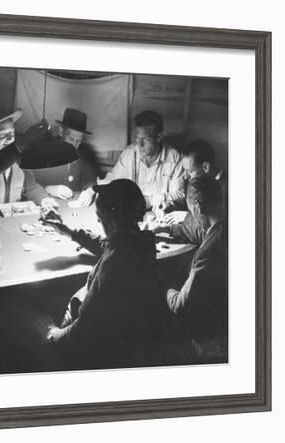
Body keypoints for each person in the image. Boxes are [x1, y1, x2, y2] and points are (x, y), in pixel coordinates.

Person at [43, 179, 159, 368]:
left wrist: (53, 335)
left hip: (98, 347)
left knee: (26, 315)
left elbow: (84, 328)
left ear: (113, 219)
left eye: (100, 217)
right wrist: (71, 233)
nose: (98, 221)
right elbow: (109, 244)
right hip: (126, 333)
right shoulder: (143, 241)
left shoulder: (113, 263)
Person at [166, 176, 228, 361]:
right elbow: (204, 232)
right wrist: (167, 229)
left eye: (192, 212)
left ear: (199, 207)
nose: (193, 216)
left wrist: (162, 285)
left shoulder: (206, 254)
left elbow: (180, 305)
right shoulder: (228, 225)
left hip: (210, 336)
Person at [77, 110, 185, 210]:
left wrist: (150, 200)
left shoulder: (175, 159)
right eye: (137, 138)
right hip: (131, 212)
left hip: (159, 213)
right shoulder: (130, 153)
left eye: (145, 139)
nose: (139, 144)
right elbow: (113, 180)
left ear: (159, 137)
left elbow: (179, 195)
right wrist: (92, 190)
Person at [0, 99, 52, 206]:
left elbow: (30, 187)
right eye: (3, 135)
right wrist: (20, 145)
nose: (9, 140)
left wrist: (44, 199)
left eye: (11, 134)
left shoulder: (20, 156)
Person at [154, 139, 227, 245]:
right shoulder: (199, 181)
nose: (185, 176)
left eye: (189, 171)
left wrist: (186, 217)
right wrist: (170, 204)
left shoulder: (227, 190)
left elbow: (210, 232)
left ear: (205, 167)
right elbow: (191, 200)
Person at [21, 108, 99, 206]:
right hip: (46, 202)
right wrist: (48, 188)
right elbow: (28, 184)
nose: (74, 144)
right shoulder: (43, 149)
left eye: (79, 140)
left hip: (74, 205)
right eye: (71, 138)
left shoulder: (85, 152)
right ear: (61, 131)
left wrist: (89, 191)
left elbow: (91, 179)